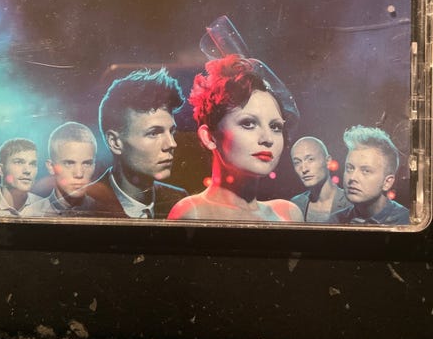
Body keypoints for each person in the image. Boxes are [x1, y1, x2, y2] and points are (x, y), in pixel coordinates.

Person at [167, 55, 303, 222]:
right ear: (209, 137)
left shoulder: (288, 214)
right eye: (248, 123)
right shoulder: (193, 213)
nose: (268, 139)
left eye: (275, 127)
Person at [86, 67, 187, 218]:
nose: (171, 144)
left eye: (171, 131)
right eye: (154, 133)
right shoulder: (80, 206)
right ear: (115, 142)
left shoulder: (179, 201)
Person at [329, 125, 409, 225]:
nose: (352, 178)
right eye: (350, 168)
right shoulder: (335, 221)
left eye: (366, 171)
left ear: (387, 182)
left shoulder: (407, 223)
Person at [23, 122, 98, 217]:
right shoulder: (30, 215)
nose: (79, 174)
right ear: (51, 167)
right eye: (69, 163)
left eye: (87, 163)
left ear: (94, 166)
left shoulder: (107, 213)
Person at [289, 136, 351, 222]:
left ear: (328, 161)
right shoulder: (296, 204)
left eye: (310, 159)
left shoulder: (351, 202)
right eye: (297, 162)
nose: (304, 169)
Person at [0, 138, 41, 216]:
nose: (28, 170)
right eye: (19, 162)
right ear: (1, 169)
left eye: (32, 164)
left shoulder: (45, 206)